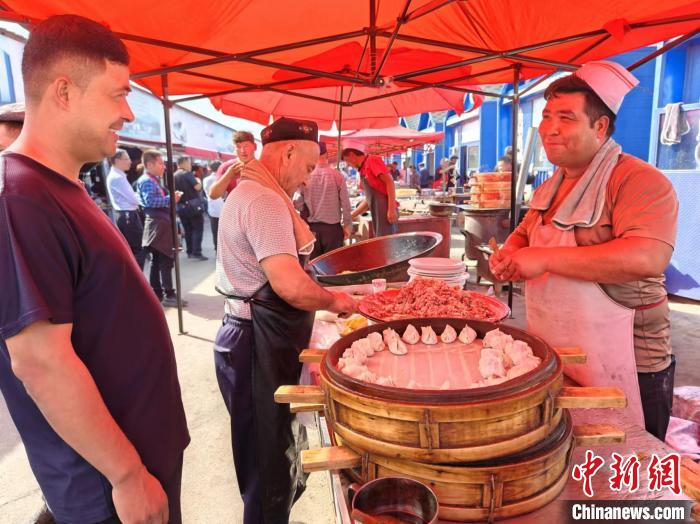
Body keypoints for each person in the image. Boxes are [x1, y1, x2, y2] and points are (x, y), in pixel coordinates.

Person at [0, 14, 189, 524]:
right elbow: (40, 362)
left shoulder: (61, 185)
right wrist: (126, 475)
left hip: (136, 469)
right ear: (64, 92)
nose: (128, 112)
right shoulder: (18, 196)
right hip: (107, 490)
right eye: (118, 94)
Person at [489, 61, 679, 441]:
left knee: (628, 463)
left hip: (629, 363)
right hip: (557, 353)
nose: (550, 128)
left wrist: (543, 259)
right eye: (546, 117)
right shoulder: (551, 185)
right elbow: (524, 234)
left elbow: (647, 256)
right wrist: (509, 253)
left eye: (566, 118)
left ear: (600, 127)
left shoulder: (638, 180)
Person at [214, 117, 356, 523]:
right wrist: (336, 300)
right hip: (255, 343)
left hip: (251, 337)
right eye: (308, 168)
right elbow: (290, 286)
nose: (308, 180)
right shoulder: (264, 201)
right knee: (267, 463)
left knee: (273, 449)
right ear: (289, 152)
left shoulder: (251, 192)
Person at [137, 149, 185, 308]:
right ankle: (168, 294)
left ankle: (158, 293)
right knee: (164, 260)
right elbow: (150, 201)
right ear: (150, 164)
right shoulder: (147, 180)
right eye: (161, 163)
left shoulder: (151, 179)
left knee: (158, 261)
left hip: (159, 224)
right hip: (158, 225)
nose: (164, 166)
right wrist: (171, 198)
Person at [294, 141, 353, 259]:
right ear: (327, 155)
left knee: (315, 266)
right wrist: (347, 225)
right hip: (332, 230)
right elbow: (346, 205)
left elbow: (297, 203)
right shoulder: (337, 176)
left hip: (311, 230)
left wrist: (309, 207)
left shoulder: (305, 176)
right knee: (334, 265)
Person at [343, 143, 398, 237]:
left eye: (347, 161)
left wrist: (391, 209)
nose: (348, 165)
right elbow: (369, 199)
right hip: (377, 213)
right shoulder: (362, 170)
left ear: (352, 155)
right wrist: (352, 215)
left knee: (386, 243)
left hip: (385, 212)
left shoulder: (372, 160)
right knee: (380, 240)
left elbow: (390, 181)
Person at [106, 148, 148, 268]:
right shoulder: (117, 177)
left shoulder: (117, 175)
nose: (130, 161)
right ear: (117, 160)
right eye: (127, 159)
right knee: (138, 249)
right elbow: (134, 199)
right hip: (128, 215)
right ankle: (137, 276)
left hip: (126, 215)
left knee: (134, 249)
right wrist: (145, 198)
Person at [174, 156, 207, 260]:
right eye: (189, 163)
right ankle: (196, 252)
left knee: (187, 230)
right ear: (183, 163)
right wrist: (198, 181)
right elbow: (197, 187)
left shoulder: (174, 175)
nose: (190, 165)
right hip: (193, 206)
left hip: (180, 206)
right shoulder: (187, 174)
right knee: (197, 229)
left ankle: (190, 251)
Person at [208, 130, 257, 200]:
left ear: (255, 146)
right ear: (234, 149)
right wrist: (229, 175)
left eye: (246, 146)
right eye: (238, 147)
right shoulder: (227, 167)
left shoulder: (263, 166)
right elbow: (213, 195)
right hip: (236, 206)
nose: (243, 151)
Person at [203, 159, 223, 251]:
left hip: (213, 209)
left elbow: (206, 192)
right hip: (225, 209)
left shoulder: (206, 179)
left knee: (215, 232)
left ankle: (217, 250)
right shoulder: (223, 178)